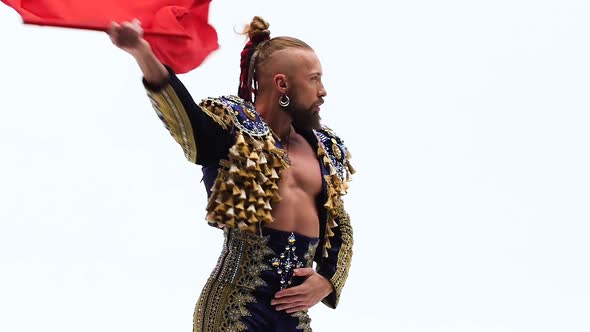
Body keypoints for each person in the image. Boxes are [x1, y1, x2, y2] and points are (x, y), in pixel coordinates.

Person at [108, 16, 355, 332]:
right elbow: (188, 126)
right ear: (282, 84)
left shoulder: (324, 148)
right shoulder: (234, 131)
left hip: (293, 318)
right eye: (314, 79)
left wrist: (328, 279)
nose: (322, 92)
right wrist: (142, 52)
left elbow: (338, 220)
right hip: (234, 311)